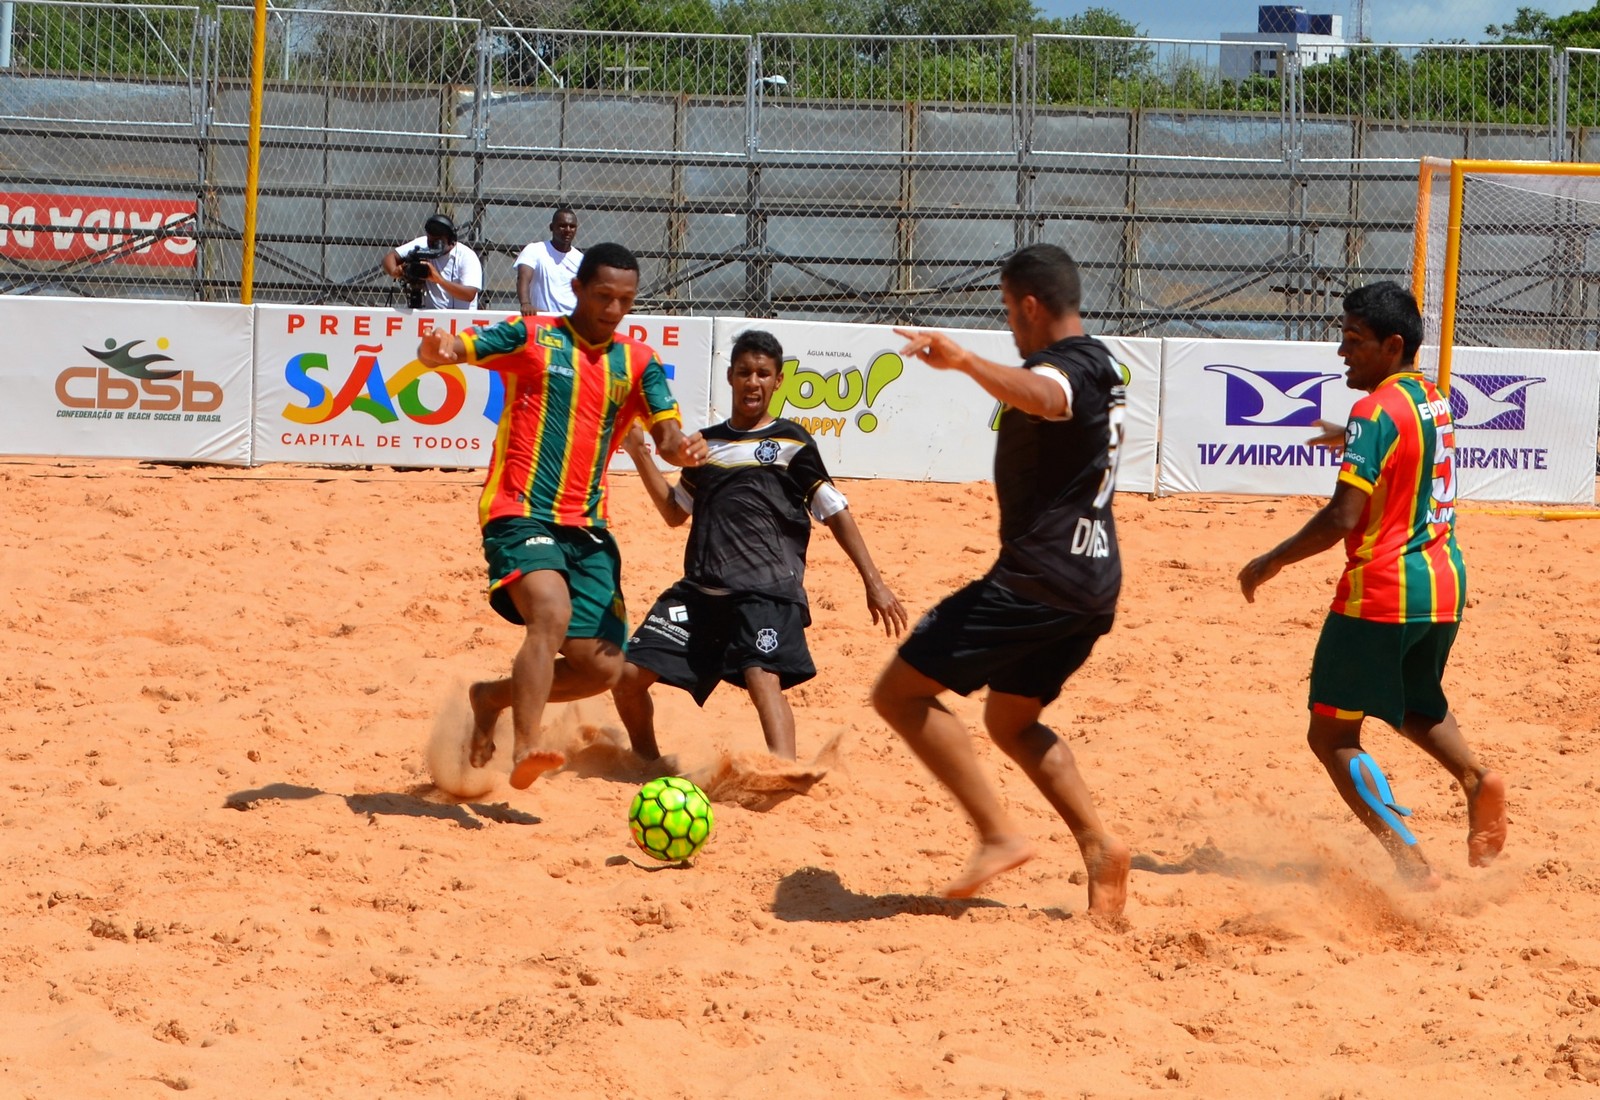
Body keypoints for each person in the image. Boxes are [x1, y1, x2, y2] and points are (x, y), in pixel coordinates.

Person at [872, 243, 1132, 917]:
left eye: (1009, 313)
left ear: (1030, 306)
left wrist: (962, 361)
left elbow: (1049, 399)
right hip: (1094, 578)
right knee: (1011, 719)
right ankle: (1102, 848)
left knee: (898, 695)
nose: (1010, 327)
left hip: (1039, 578)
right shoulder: (1104, 359)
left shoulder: (1063, 368)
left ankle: (997, 834)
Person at [1238, 280, 1507, 889]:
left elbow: (1342, 518)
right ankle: (1475, 778)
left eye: (1353, 340)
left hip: (1381, 593)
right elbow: (1405, 448)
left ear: (1391, 345)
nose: (1342, 352)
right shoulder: (1432, 398)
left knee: (1331, 732)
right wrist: (1349, 435)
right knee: (1413, 705)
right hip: (1443, 587)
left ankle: (1410, 862)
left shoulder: (1374, 410)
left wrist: (1271, 561)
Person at [417, 241, 709, 789]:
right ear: (576, 288)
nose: (615, 310)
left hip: (587, 529)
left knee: (600, 669)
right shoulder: (532, 337)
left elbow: (667, 433)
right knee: (547, 615)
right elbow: (454, 348)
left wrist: (681, 450)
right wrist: (437, 350)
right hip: (518, 511)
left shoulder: (638, 362)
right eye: (604, 297)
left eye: (626, 300)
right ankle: (527, 746)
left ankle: (490, 699)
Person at [612, 328, 908, 761]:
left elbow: (835, 511)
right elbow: (676, 513)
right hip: (701, 592)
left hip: (766, 592)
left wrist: (874, 582)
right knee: (626, 676)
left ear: (777, 380)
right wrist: (640, 455)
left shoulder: (792, 442)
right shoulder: (706, 445)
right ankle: (647, 765)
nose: (754, 382)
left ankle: (784, 773)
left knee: (761, 676)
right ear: (730, 376)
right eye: (745, 372)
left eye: (763, 374)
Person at [382, 213, 482, 310]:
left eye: (437, 242)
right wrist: (395, 271)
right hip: (432, 315)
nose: (432, 244)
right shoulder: (423, 244)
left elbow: (469, 294)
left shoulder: (467, 256)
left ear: (450, 239)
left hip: (461, 318)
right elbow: (389, 258)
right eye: (430, 240)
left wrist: (439, 280)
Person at [516, 206, 583, 317]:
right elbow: (523, 278)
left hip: (572, 322)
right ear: (552, 227)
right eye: (562, 226)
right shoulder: (535, 250)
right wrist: (526, 304)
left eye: (572, 226)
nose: (567, 230)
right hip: (543, 321)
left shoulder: (580, 259)